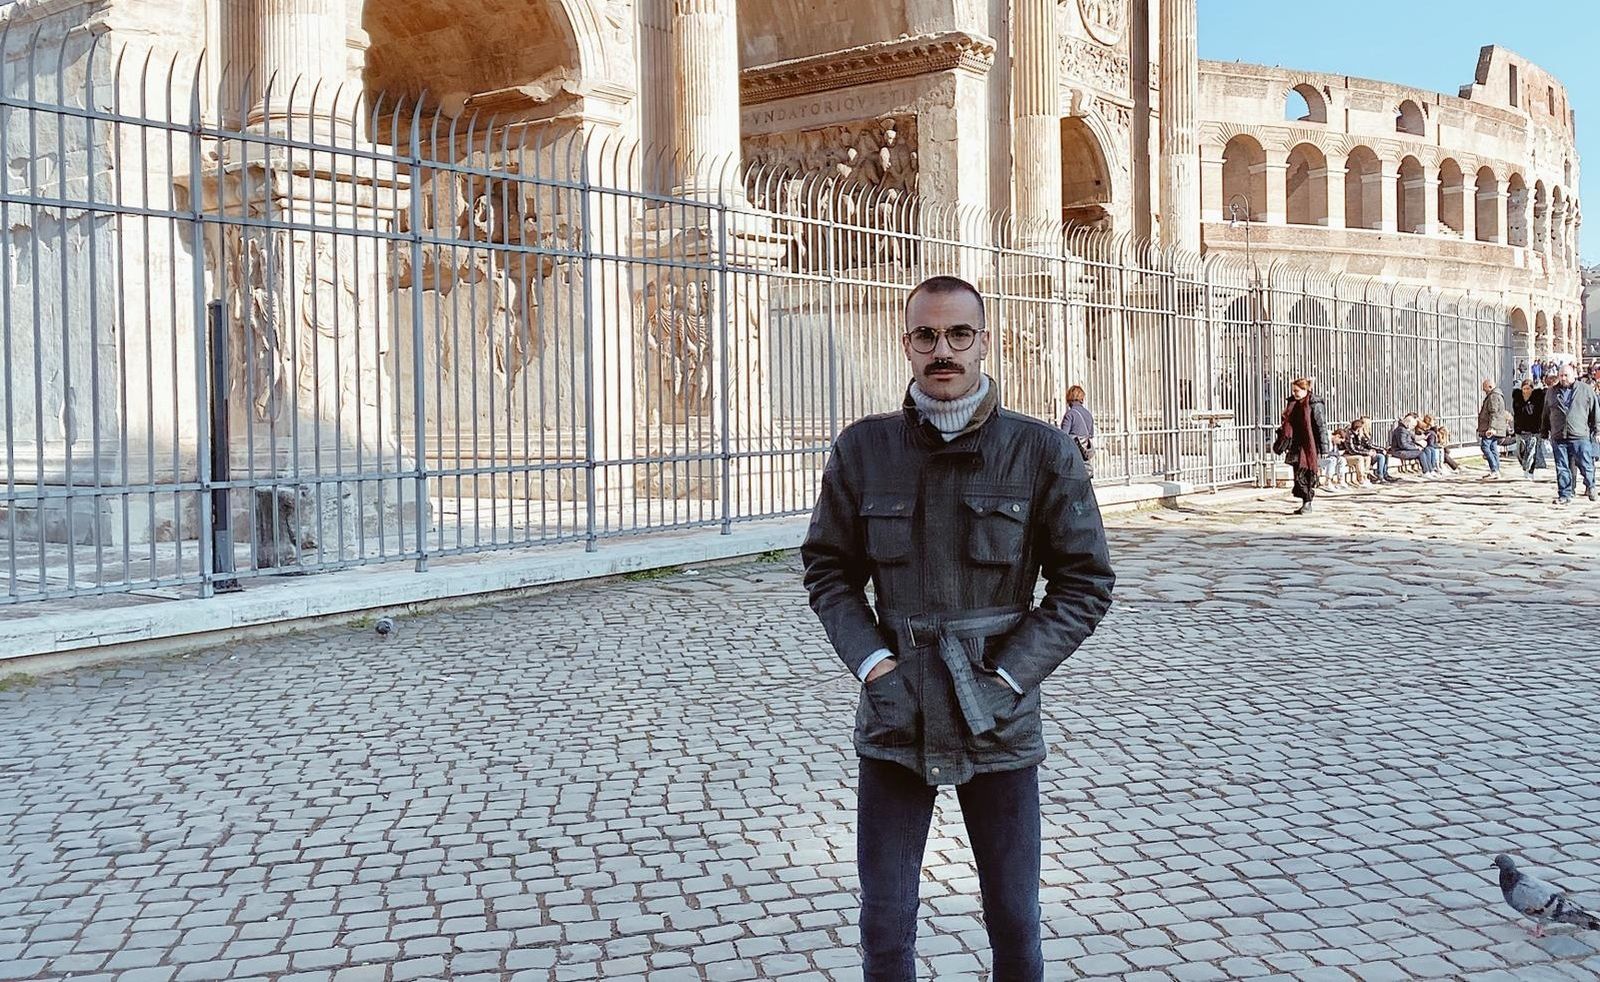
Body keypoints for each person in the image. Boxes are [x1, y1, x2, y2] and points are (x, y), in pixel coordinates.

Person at [801, 275, 1115, 982]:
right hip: (897, 707)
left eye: (958, 334)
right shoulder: (863, 450)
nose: (943, 351)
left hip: (996, 713)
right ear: (906, 344)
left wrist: (1010, 676)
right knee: (885, 924)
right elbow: (827, 569)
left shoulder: (1041, 452)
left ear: (984, 340)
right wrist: (873, 665)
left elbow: (1085, 582)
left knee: (1013, 918)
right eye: (926, 336)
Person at [1541, 363, 1600, 505]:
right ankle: (1565, 494)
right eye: (1561, 375)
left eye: (1566, 375)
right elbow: (1546, 413)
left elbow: (1595, 411)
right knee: (1562, 467)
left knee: (1585, 464)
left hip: (1579, 435)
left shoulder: (1585, 390)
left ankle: (1590, 486)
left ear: (1573, 375)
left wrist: (1597, 429)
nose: (1563, 378)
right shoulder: (1551, 392)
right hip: (1559, 435)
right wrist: (1544, 431)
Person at [1279, 377, 1328, 514]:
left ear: (1306, 390)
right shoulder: (1293, 404)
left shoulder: (1314, 404)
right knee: (1298, 474)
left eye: (1297, 390)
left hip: (1309, 444)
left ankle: (1308, 501)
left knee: (1306, 473)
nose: (1294, 393)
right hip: (1296, 443)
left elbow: (1320, 426)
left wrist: (1324, 446)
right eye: (1293, 390)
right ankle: (1304, 501)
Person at [1058, 384, 1095, 480]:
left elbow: (1064, 435)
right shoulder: (1088, 414)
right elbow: (1091, 434)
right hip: (1085, 452)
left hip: (1073, 451)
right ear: (1081, 399)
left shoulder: (1070, 414)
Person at [1512, 379, 1545, 478]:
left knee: (1531, 452)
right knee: (1520, 451)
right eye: (1524, 389)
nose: (1526, 391)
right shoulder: (1517, 398)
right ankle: (1524, 465)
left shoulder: (1537, 399)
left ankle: (1530, 471)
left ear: (1532, 389)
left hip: (1533, 429)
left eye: (1528, 389)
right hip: (1520, 429)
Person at [1347, 416, 1395, 484]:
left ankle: (1385, 474)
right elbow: (1363, 446)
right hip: (1362, 453)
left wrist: (1381, 449)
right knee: (1380, 456)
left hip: (1365, 451)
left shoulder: (1363, 433)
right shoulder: (1357, 434)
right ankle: (1380, 476)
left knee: (1385, 454)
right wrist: (1370, 452)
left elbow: (1367, 445)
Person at [1475, 379, 1507, 479]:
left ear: (1489, 386)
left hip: (1491, 427)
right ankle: (1496, 470)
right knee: (1493, 448)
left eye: (1484, 387)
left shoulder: (1493, 396)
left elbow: (1494, 413)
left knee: (1485, 447)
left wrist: (1491, 428)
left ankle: (1494, 469)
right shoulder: (1496, 395)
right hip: (1494, 427)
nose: (1483, 390)